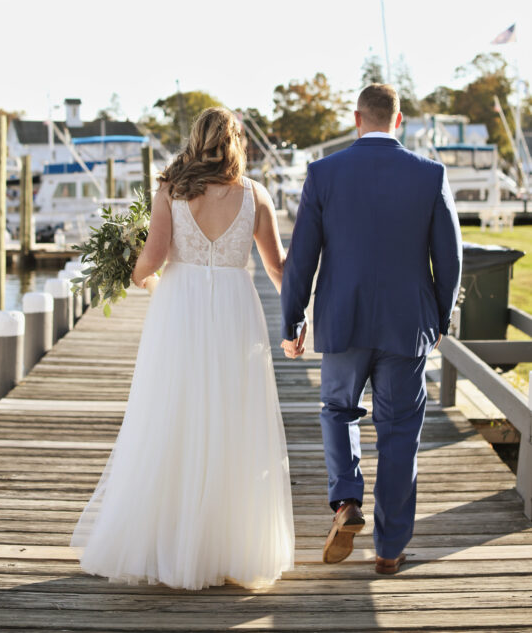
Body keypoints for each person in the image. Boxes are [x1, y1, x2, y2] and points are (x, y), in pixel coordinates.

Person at [71, 107, 294, 589]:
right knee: (232, 418)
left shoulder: (171, 191)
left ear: (195, 139)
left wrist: (136, 274)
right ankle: (229, 546)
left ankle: (171, 540)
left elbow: (152, 257)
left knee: (172, 413)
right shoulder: (256, 196)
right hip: (236, 310)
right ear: (237, 142)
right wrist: (300, 317)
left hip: (180, 311)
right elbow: (279, 269)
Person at [280, 84, 462, 575]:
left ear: (357, 118)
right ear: (398, 121)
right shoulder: (430, 174)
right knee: (399, 432)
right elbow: (450, 258)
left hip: (343, 319)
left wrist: (293, 319)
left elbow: (301, 258)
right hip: (407, 324)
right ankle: (389, 549)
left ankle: (345, 501)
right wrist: (439, 318)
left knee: (338, 411)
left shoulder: (323, 173)